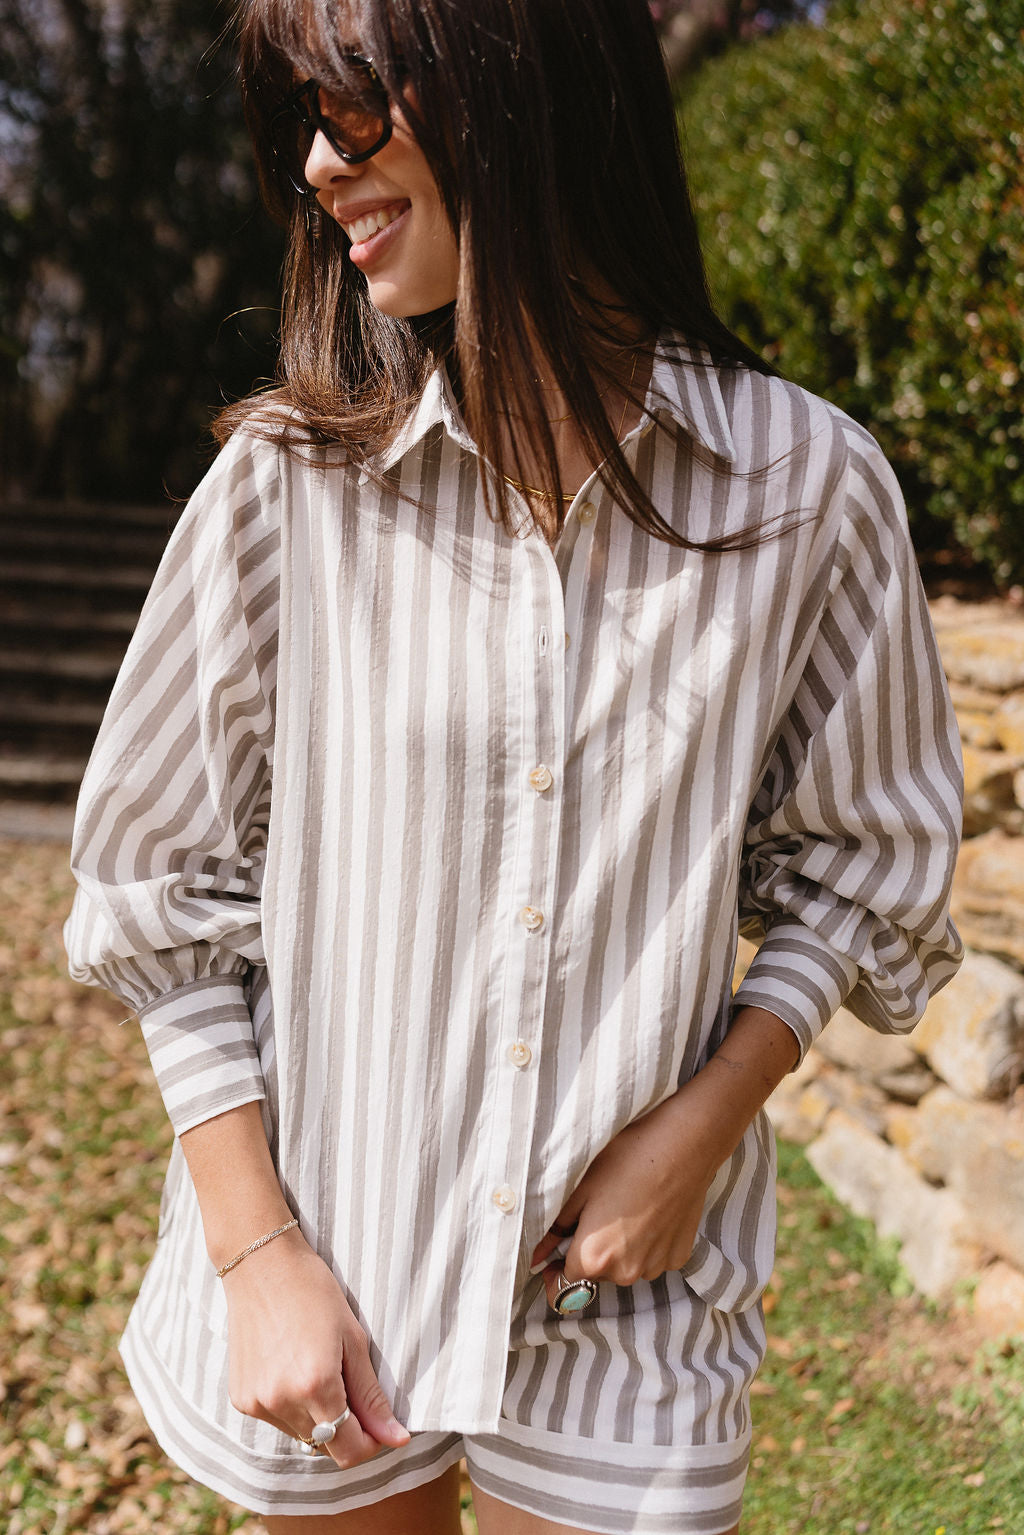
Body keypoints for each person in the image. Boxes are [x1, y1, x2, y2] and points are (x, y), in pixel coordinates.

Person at [64, 0, 965, 1531]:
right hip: (332, 1268)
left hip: (637, 1298)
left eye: (348, 111)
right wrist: (256, 1256)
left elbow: (866, 862)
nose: (312, 165)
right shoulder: (288, 486)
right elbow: (158, 885)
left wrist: (705, 1124)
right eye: (302, 119)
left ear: (511, 86)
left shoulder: (806, 490)